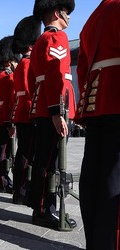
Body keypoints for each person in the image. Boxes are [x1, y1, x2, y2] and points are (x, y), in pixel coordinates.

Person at [75, 1, 120, 248]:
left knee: (93, 178)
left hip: (95, 104)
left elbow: (83, 70)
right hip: (117, 100)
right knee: (113, 182)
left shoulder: (92, 18)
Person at [29, 0, 77, 230]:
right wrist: (57, 112)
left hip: (43, 106)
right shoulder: (57, 37)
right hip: (55, 108)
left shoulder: (40, 41)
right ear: (57, 12)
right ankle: (44, 209)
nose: (69, 17)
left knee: (44, 160)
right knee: (51, 162)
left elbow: (33, 81)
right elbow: (57, 74)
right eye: (67, 13)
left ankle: (41, 206)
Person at [11, 15, 41, 205]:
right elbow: (31, 90)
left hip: (22, 110)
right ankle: (21, 189)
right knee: (26, 153)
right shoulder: (29, 63)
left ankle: (19, 188)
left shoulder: (22, 63)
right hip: (29, 110)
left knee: (23, 151)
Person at [0, 36, 19, 194]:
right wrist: (10, 123)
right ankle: (3, 181)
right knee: (3, 152)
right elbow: (10, 101)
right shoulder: (8, 77)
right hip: (4, 117)